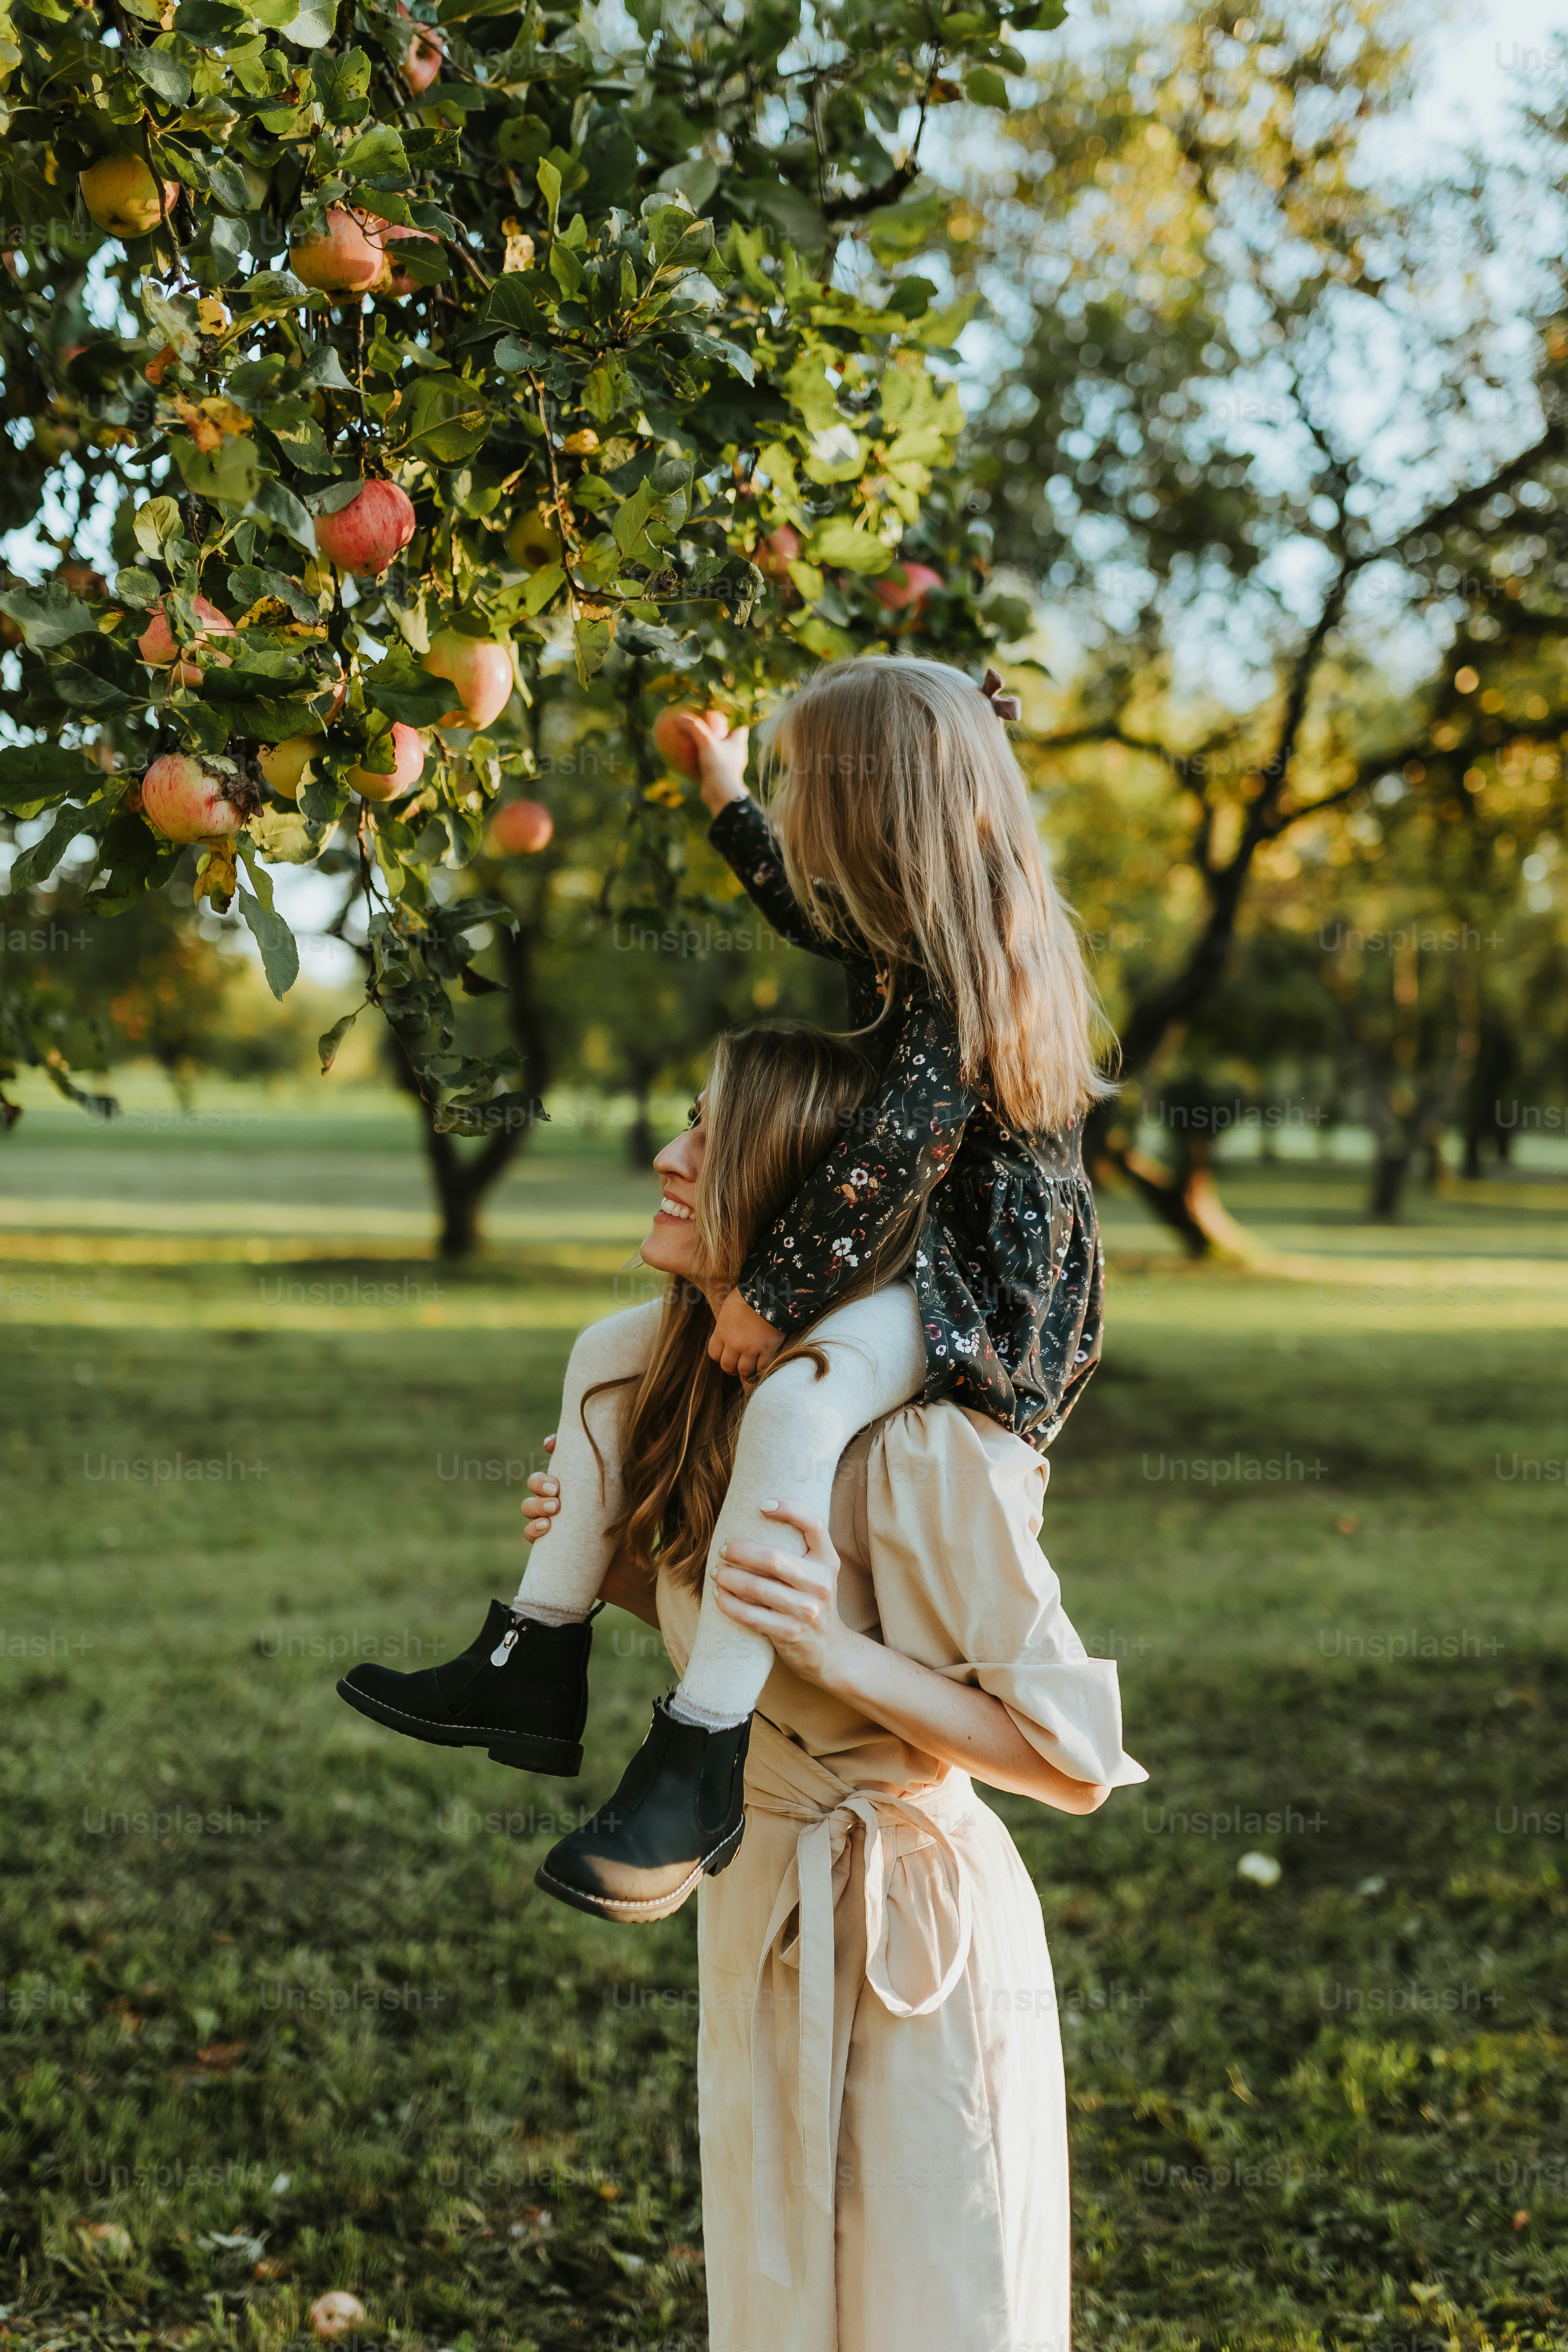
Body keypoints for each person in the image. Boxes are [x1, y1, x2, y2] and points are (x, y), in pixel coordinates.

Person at [338, 657, 1110, 1921]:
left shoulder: (978, 969)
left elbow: (892, 1146)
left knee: (798, 1410)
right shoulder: (915, 931)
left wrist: (767, 1297)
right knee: (607, 1349)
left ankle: (697, 1749)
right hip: (903, 1267)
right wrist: (726, 794)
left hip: (969, 1302)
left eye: (811, 786)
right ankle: (533, 1651)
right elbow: (799, 914)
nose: (803, 817)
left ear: (880, 802)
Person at [516, 1032, 1144, 2352]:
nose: (668, 1158)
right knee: (782, 2294)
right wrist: (625, 1564)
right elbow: (752, 1665)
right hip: (756, 1901)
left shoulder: (924, 1452)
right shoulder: (718, 1415)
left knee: (925, 2298)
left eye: (706, 1135)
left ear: (794, 1190)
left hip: (911, 1933)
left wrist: (839, 1653)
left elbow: (1072, 1764)